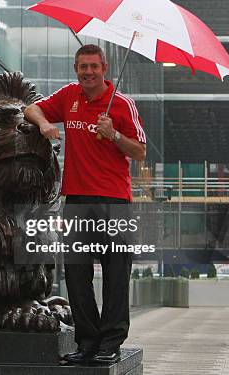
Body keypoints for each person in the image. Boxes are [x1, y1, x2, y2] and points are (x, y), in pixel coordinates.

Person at [25, 44, 146, 365]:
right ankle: (87, 342)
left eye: (94, 66)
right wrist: (44, 124)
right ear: (76, 69)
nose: (88, 72)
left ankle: (111, 342)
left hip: (115, 202)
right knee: (77, 275)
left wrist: (115, 135)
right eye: (82, 67)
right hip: (76, 200)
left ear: (104, 68)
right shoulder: (69, 97)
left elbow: (140, 152)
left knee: (116, 275)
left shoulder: (122, 104)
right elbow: (31, 109)